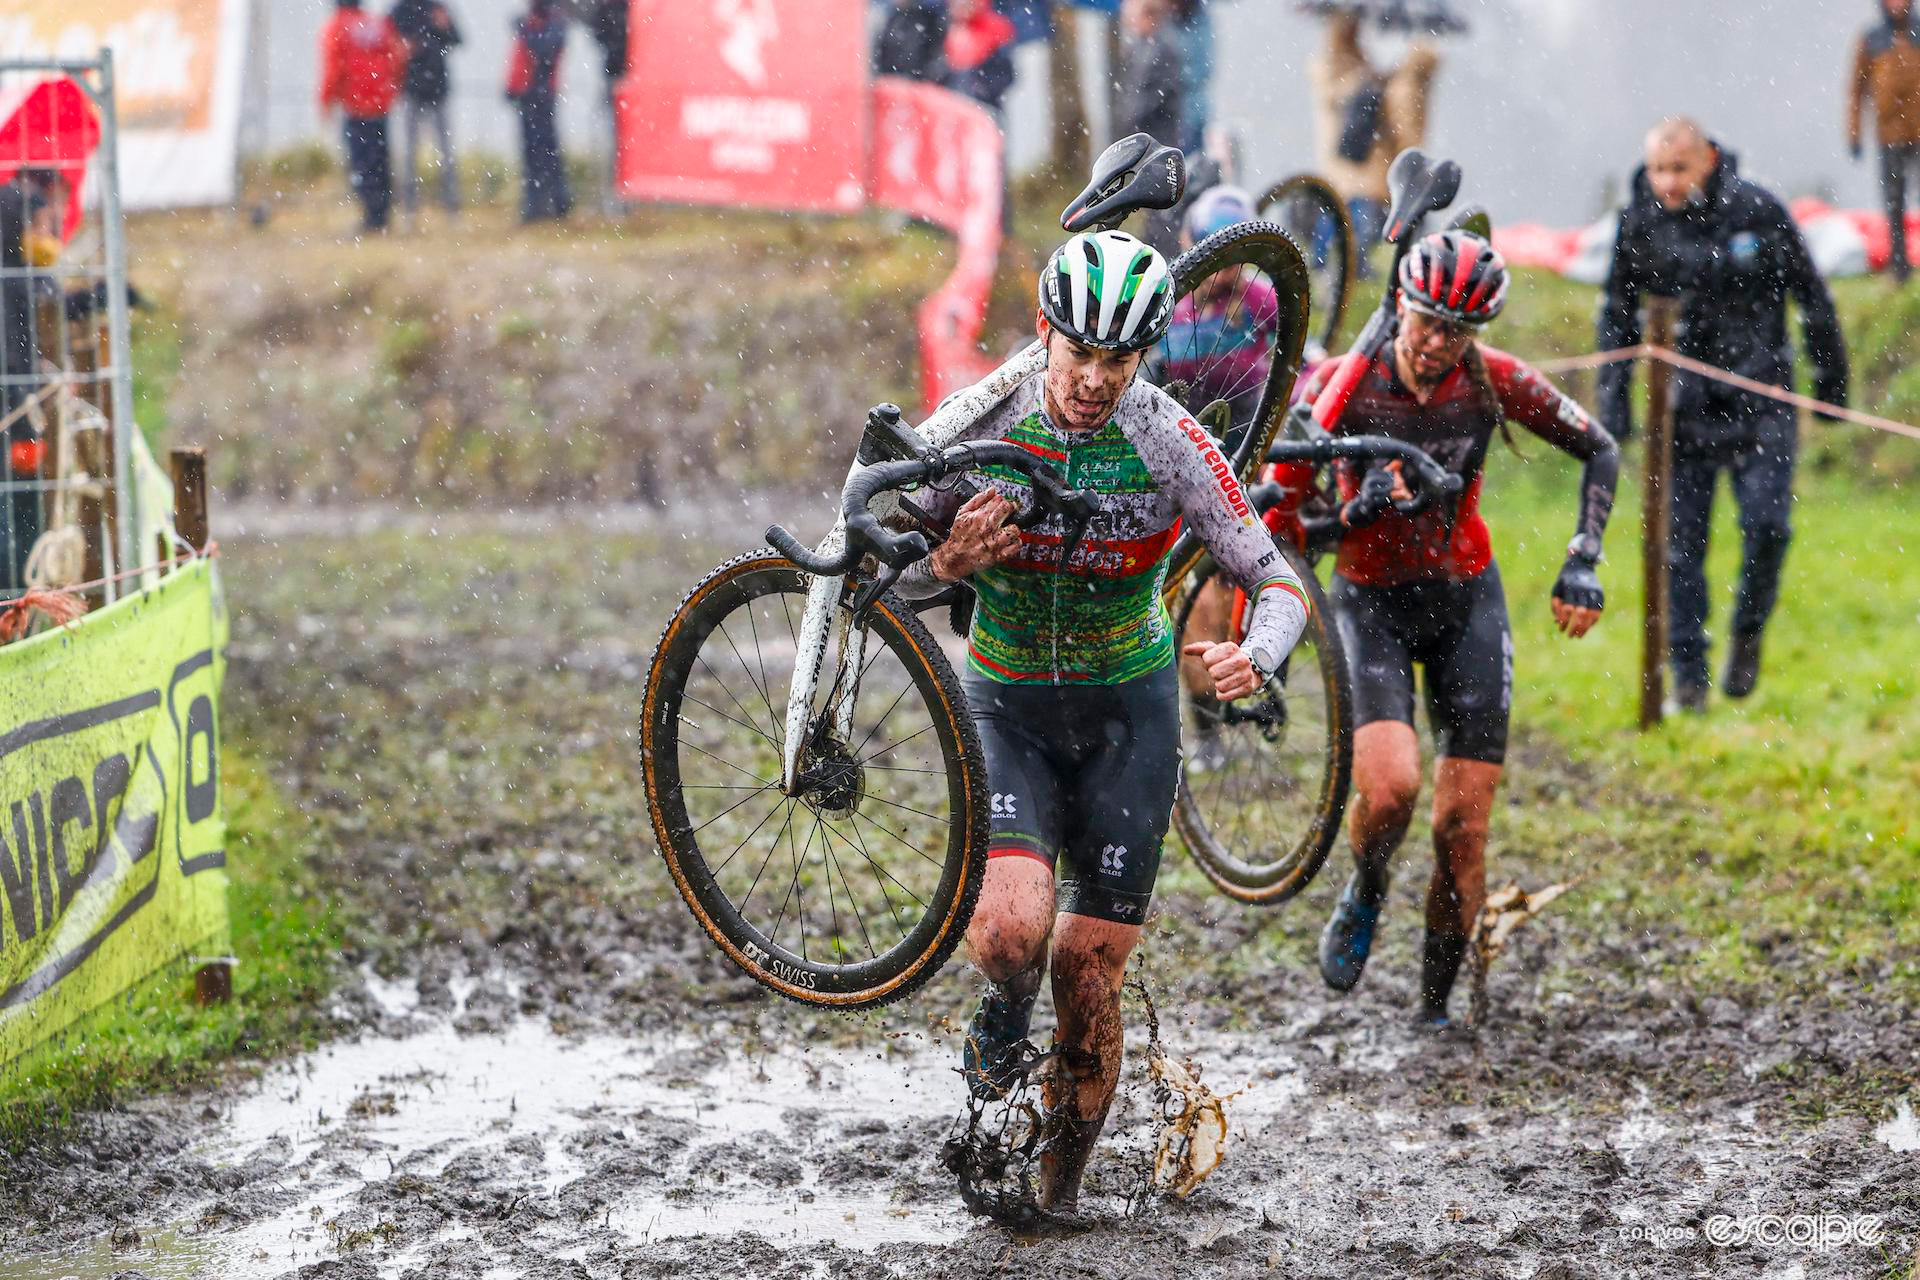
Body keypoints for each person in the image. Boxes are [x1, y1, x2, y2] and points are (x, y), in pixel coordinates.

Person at [893, 230, 1310, 1211]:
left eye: (1115, 360)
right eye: (1076, 352)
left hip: (1130, 713)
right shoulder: (978, 419)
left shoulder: (1169, 437)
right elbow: (877, 578)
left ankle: (1058, 1194)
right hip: (1009, 706)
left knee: (1086, 979)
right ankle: (1001, 1005)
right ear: (1044, 331)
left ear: (1145, 356)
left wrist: (1260, 652)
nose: (1090, 379)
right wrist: (945, 563)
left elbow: (1274, 579)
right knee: (1007, 934)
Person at [1293, 232, 1619, 1030]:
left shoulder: (1489, 381)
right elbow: (1280, 519)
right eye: (1427, 321)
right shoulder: (1343, 388)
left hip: (1464, 598)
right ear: (1401, 301)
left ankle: (1434, 1014)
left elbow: (1600, 446)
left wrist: (1583, 557)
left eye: (1457, 331)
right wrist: (1348, 513)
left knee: (1462, 829)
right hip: (1370, 601)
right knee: (1394, 789)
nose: (1437, 344)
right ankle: (1368, 883)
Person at [1596, 118, 1849, 710]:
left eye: (1678, 168)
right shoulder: (1638, 222)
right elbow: (1616, 315)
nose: (1667, 182)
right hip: (1681, 409)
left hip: (1764, 398)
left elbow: (1811, 294)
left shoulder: (1758, 211)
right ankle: (1687, 672)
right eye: (1658, 169)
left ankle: (1748, 632)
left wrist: (1832, 385)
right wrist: (1614, 407)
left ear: (1707, 159)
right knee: (1680, 547)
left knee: (1768, 528)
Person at [1309, 11, 1438, 275]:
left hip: (1338, 189)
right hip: (1372, 195)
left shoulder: (1343, 77)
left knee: (1337, 235)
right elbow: (1410, 141)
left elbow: (1335, 51)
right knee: (1355, 240)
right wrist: (1417, 63)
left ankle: (1331, 272)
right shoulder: (1393, 87)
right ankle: (1343, 270)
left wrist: (1346, 15)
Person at [318, 0, 409, 234]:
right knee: (380, 160)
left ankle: (372, 217)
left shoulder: (337, 26)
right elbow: (397, 56)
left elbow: (333, 67)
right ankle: (382, 216)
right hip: (381, 104)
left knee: (362, 163)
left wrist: (326, 101)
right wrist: (392, 89)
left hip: (356, 105)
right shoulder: (376, 23)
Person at [1848, 0, 1920, 282]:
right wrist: (1854, 134)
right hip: (1889, 135)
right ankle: (1899, 268)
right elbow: (1856, 90)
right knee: (1894, 202)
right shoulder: (1872, 40)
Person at [389, 0, 462, 219]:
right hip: (412, 90)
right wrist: (403, 47)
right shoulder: (399, 10)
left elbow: (457, 40)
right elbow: (389, 44)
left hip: (438, 89)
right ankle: (410, 208)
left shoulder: (438, 7)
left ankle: (451, 207)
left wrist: (444, 26)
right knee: (411, 152)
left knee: (446, 152)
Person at [506, 0, 571, 224]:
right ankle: (539, 204)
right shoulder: (537, 23)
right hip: (529, 96)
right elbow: (521, 60)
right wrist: (512, 88)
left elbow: (544, 51)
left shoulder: (553, 23)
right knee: (535, 153)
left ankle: (552, 203)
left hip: (541, 97)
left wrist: (524, 30)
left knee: (544, 153)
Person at [1116, 0, 1184, 147]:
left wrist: (1132, 116)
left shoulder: (1163, 49)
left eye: (1135, 17)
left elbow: (1156, 94)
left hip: (1158, 133)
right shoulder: (1139, 46)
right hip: (1143, 132)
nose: (1131, 22)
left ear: (1149, 18)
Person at [943, 0, 1017, 116]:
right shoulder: (942, 27)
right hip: (954, 107)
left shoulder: (996, 29)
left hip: (985, 106)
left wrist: (980, 88)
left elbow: (1005, 73)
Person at [1172, 0, 1215, 155]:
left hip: (1188, 115)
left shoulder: (1196, 23)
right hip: (1183, 114)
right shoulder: (1174, 21)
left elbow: (1195, 73)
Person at [874, 0, 949, 82]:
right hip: (893, 81)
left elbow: (936, 62)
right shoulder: (894, 16)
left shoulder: (929, 18)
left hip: (918, 83)